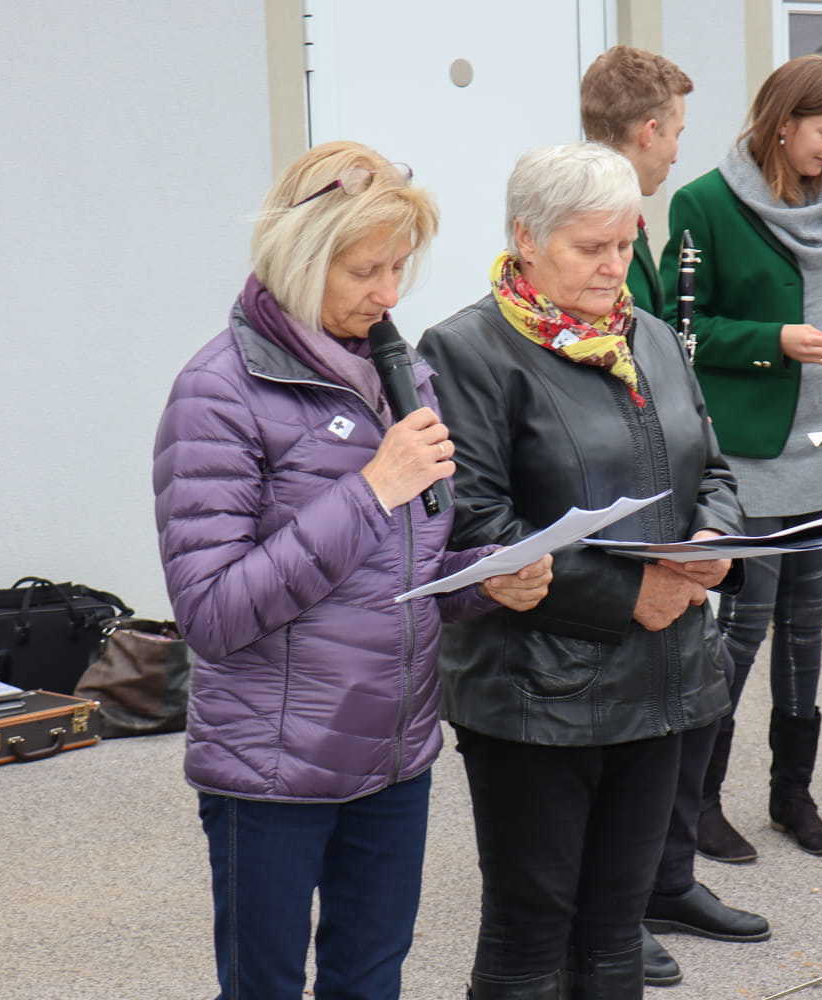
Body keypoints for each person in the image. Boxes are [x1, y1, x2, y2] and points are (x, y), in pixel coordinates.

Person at [152, 140, 553, 1000]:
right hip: (272, 767)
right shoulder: (217, 392)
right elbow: (212, 613)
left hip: (395, 753)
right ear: (301, 262)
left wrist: (485, 577)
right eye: (367, 270)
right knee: (262, 988)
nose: (390, 295)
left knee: (370, 983)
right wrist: (371, 489)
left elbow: (405, 569)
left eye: (399, 267)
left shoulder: (401, 376)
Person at [417, 142, 741, 1000]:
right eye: (590, 247)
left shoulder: (652, 336)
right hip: (536, 693)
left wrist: (715, 537)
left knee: (615, 932)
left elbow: (711, 468)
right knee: (530, 936)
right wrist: (636, 595)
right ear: (526, 238)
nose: (614, 266)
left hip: (662, 679)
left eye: (626, 243)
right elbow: (479, 524)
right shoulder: (466, 350)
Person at [659, 53, 822, 866]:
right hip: (748, 449)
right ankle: (700, 800)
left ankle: (793, 796)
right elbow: (678, 327)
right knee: (743, 629)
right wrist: (772, 341)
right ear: (783, 125)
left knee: (806, 630)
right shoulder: (704, 204)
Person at [580, 44, 768, 988]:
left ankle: (667, 878)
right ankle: (612, 906)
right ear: (649, 129)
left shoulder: (640, 222)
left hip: (676, 489)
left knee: (689, 695)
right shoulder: (590, 221)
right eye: (679, 132)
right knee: (622, 725)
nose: (679, 151)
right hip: (615, 511)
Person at [580, 45, 691, 316]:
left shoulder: (579, 206)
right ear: (649, 133)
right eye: (676, 134)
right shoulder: (606, 219)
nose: (676, 156)